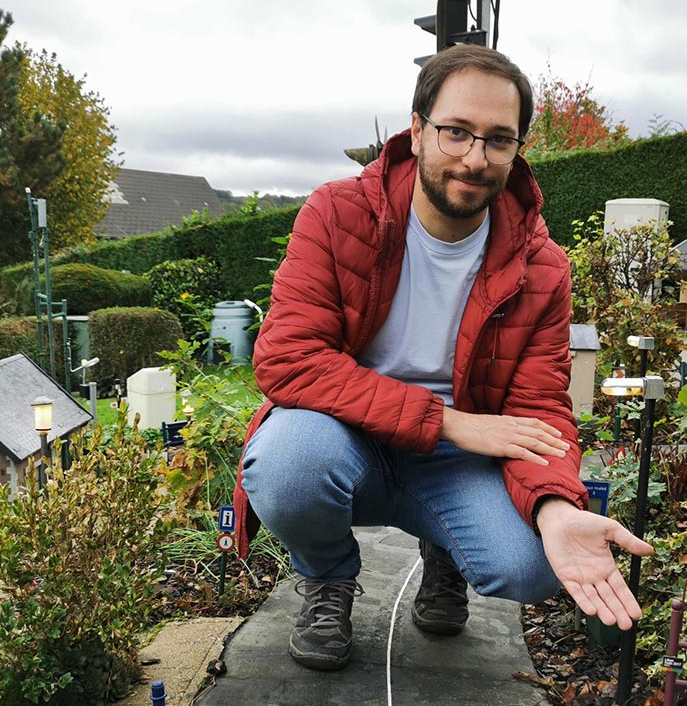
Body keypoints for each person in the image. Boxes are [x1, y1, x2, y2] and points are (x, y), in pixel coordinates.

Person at [233, 44, 653, 672]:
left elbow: (538, 407)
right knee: (288, 466)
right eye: (456, 132)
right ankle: (328, 577)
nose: (475, 158)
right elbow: (289, 359)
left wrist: (557, 508)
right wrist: (451, 422)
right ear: (418, 127)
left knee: (536, 563)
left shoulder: (542, 267)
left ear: (518, 148)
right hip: (345, 434)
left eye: (498, 140)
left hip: (456, 462)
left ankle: (445, 552)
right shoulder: (338, 213)